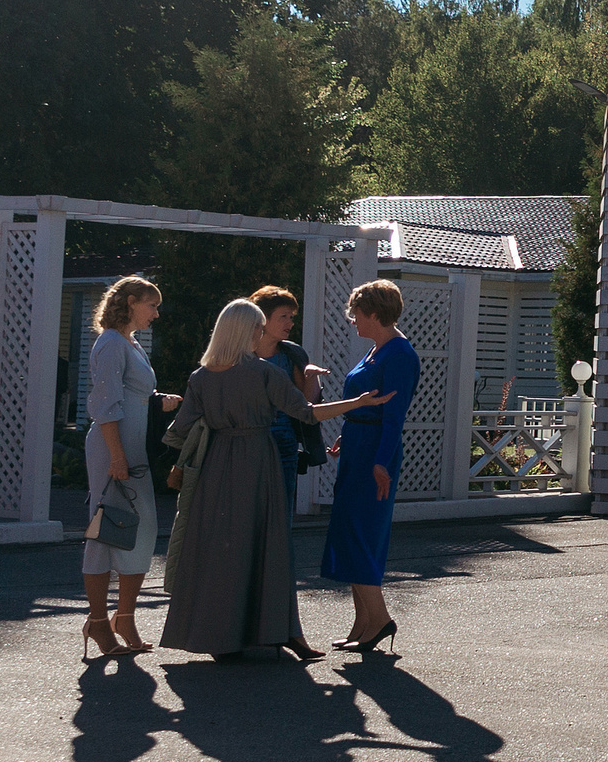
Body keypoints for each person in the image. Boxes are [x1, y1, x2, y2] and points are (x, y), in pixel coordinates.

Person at [159, 299, 390, 662]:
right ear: (243, 331)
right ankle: (284, 633)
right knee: (271, 547)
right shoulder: (264, 372)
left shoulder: (200, 377)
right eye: (257, 327)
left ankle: (223, 635)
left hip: (216, 468)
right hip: (257, 461)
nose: (261, 333)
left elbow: (180, 429)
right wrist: (357, 403)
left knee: (218, 550)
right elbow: (307, 413)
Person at [80, 277, 181, 659]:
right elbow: (104, 403)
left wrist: (157, 401)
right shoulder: (109, 343)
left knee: (140, 530)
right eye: (151, 305)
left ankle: (125, 617)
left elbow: (131, 393)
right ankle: (99, 621)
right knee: (105, 530)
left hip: (132, 445)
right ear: (132, 302)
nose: (156, 313)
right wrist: (117, 456)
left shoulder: (130, 342)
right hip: (113, 448)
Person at [324, 278, 421, 654]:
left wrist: (381, 462)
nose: (352, 320)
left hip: (375, 455)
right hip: (357, 447)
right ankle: (362, 623)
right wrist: (348, 436)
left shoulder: (399, 354)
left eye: (357, 313)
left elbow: (394, 416)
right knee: (350, 531)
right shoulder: (377, 351)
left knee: (362, 532)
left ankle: (379, 620)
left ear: (376, 314)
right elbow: (367, 405)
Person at [247, 285, 330, 519]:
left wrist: (311, 376)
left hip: (284, 443)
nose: (290, 323)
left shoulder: (292, 354)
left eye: (291, 317)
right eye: (283, 316)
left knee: (280, 516)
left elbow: (306, 405)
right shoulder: (239, 354)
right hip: (246, 442)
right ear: (261, 318)